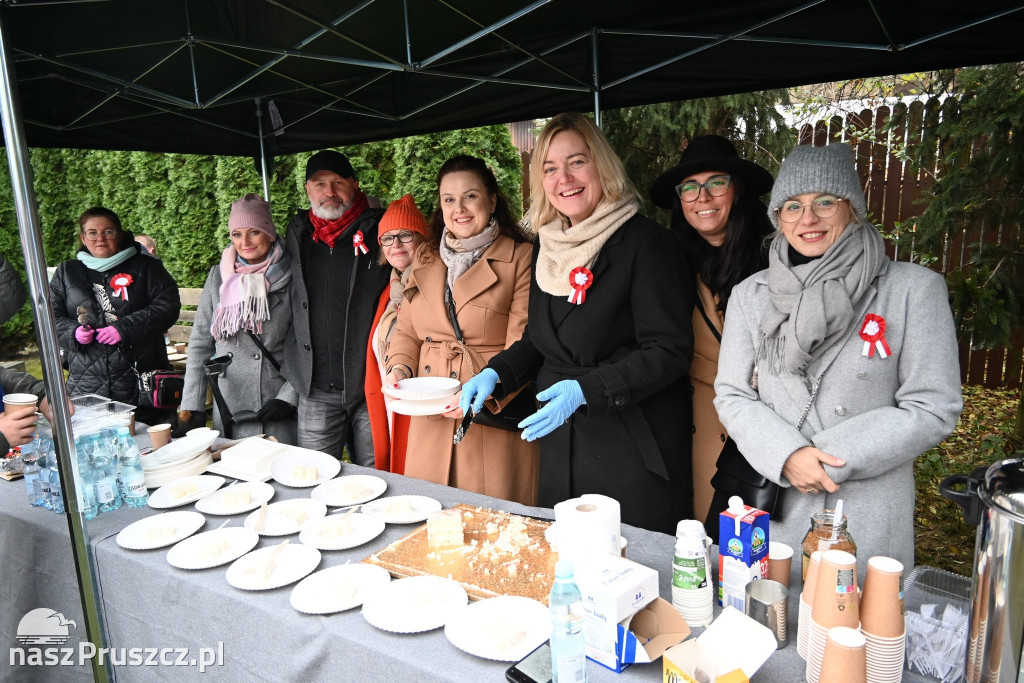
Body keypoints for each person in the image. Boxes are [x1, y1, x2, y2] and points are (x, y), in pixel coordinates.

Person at [713, 143, 962, 572]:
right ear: (778, 219)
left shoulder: (911, 290)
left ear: (853, 208)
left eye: (824, 202)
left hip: (867, 511)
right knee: (768, 622)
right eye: (792, 206)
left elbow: (933, 405)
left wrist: (827, 455)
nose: (807, 219)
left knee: (858, 632)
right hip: (778, 507)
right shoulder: (751, 296)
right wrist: (787, 455)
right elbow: (732, 394)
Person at [460, 114, 694, 533]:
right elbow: (541, 338)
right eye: (549, 168)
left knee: (628, 572)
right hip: (562, 443)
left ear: (602, 165)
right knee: (566, 565)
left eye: (577, 162)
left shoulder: (648, 245)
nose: (564, 178)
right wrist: (496, 372)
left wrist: (588, 390)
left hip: (631, 447)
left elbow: (669, 351)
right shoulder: (547, 247)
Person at [385, 156, 539, 505]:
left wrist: (488, 387)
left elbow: (524, 342)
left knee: (492, 536)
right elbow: (407, 331)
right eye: (449, 199)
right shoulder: (425, 259)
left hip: (491, 412)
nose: (460, 209)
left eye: (470, 196)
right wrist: (399, 368)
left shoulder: (522, 258)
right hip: (429, 411)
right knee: (429, 525)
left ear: (492, 200)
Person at [649, 135, 774, 524]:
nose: (702, 197)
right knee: (705, 530)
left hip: (770, 418)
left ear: (737, 190)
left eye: (715, 182)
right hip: (698, 418)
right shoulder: (668, 261)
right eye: (689, 187)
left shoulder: (776, 254)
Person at [282, 150, 389, 464]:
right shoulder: (297, 235)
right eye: (319, 184)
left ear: (355, 184)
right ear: (307, 190)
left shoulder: (381, 232)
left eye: (338, 182)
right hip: (316, 388)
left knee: (379, 477)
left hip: (372, 385)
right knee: (313, 476)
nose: (329, 192)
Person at [175, 194, 298, 443]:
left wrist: (288, 398)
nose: (245, 242)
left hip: (276, 400)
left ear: (270, 233)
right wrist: (192, 406)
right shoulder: (219, 276)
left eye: (254, 232)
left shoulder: (295, 275)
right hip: (230, 398)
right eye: (237, 234)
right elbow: (200, 342)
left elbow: (307, 347)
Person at [50, 207, 179, 425]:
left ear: (119, 234)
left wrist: (124, 328)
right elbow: (49, 319)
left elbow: (167, 307)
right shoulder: (67, 272)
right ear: (83, 237)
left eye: (108, 231)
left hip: (141, 380)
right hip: (87, 382)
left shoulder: (147, 267)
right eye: (92, 232)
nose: (100, 238)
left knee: (151, 447)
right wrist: (72, 333)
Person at [364, 194, 429, 473]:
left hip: (424, 405)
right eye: (387, 238)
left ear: (423, 238)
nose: (396, 245)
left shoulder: (431, 284)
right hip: (394, 401)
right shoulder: (390, 291)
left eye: (405, 235)